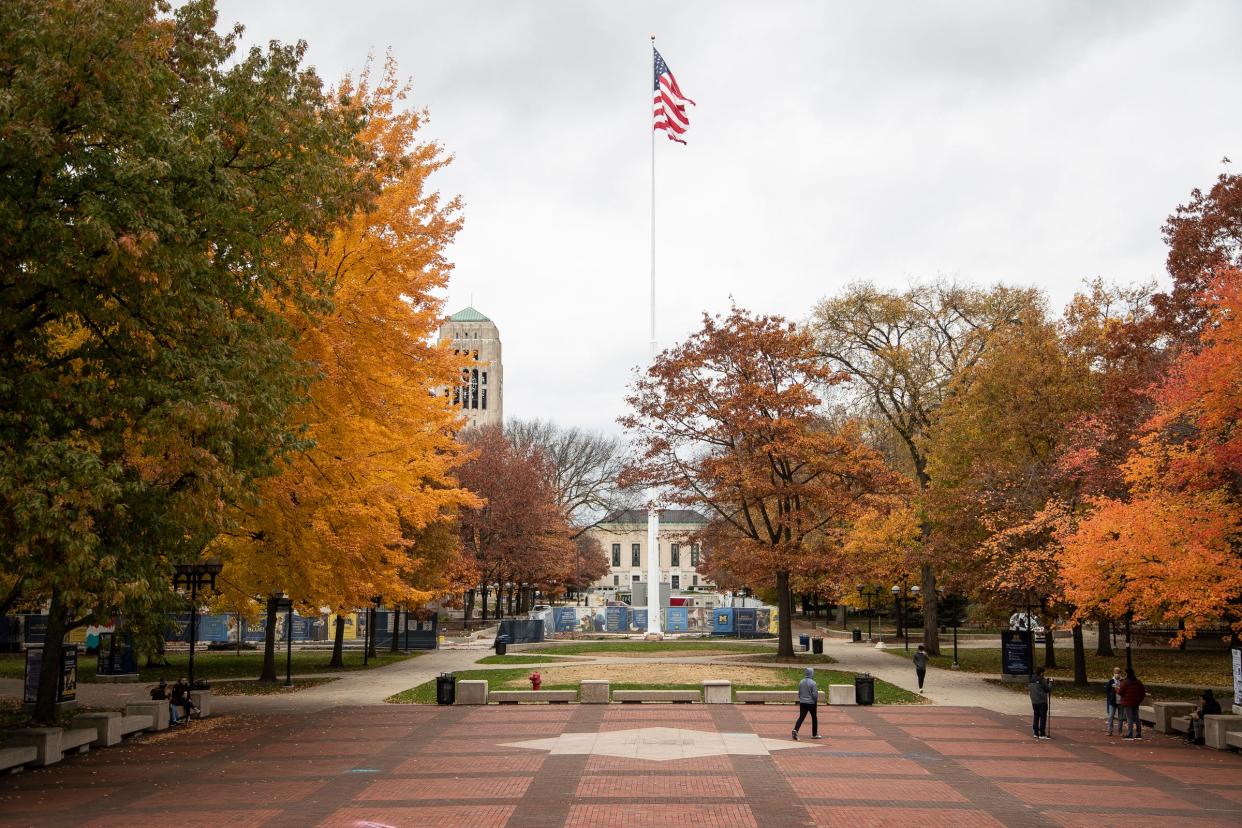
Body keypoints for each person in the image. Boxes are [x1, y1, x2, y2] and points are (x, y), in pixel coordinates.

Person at [791, 667, 821, 740]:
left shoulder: (801, 682)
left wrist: (801, 699)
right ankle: (814, 734)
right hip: (811, 703)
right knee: (814, 718)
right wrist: (815, 701)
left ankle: (795, 729)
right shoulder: (813, 683)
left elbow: (799, 693)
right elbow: (815, 695)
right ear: (811, 673)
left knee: (801, 717)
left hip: (803, 703)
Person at [1118, 668, 1146, 740]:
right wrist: (1139, 700)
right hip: (1136, 702)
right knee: (1137, 718)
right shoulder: (1138, 682)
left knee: (1129, 718)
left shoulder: (1125, 682)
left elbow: (1121, 692)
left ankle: (1130, 734)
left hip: (1127, 703)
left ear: (1127, 674)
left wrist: (1116, 689)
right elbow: (1143, 693)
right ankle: (1138, 733)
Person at [1029, 666, 1052, 739]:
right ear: (1041, 673)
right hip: (1042, 701)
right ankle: (1042, 733)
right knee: (1043, 717)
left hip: (1034, 701)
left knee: (1036, 716)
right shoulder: (1042, 680)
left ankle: (1035, 732)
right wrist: (1050, 683)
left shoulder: (1031, 679)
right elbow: (1047, 689)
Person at [1105, 666, 1123, 736]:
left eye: (1118, 673)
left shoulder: (1122, 681)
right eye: (1116, 673)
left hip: (1120, 701)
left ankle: (1120, 731)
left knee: (1120, 717)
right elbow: (1107, 690)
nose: (1117, 674)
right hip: (1112, 702)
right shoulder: (1111, 681)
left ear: (1120, 673)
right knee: (1110, 716)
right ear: (1113, 673)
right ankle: (1110, 730)